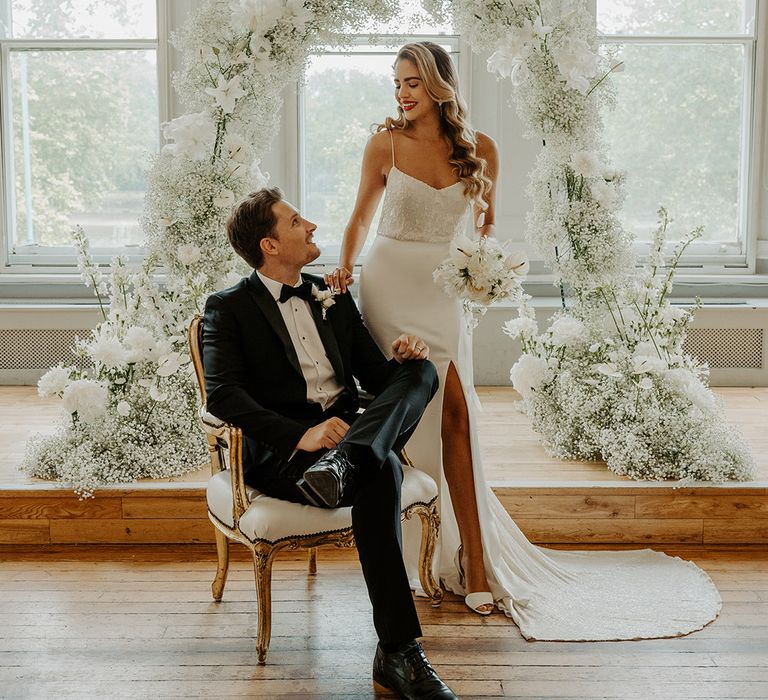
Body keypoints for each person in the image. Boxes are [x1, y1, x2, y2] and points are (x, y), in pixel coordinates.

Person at [327, 41, 722, 640]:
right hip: (386, 285)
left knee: (454, 411)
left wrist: (486, 274)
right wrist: (344, 268)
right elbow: (359, 218)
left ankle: (476, 562)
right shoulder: (383, 143)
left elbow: (484, 234)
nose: (403, 93)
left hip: (440, 292)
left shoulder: (480, 150)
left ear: (440, 86)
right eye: (397, 82)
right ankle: (411, 548)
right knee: (401, 410)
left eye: (413, 82)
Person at [203, 186, 458, 699]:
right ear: (269, 245)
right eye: (297, 221)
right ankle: (399, 654)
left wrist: (403, 358)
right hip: (287, 454)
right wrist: (302, 434)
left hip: (344, 441)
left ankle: (349, 462)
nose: (312, 226)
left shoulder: (332, 297)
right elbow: (223, 395)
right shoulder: (228, 308)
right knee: (381, 471)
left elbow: (381, 379)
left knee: (421, 372)